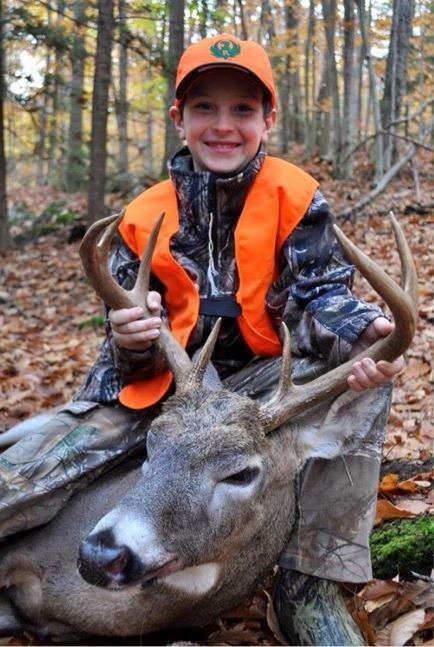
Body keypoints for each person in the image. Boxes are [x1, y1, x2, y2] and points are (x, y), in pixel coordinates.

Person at [0, 34, 403, 645]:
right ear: (178, 119)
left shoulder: (297, 198)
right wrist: (132, 337)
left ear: (268, 120)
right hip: (164, 389)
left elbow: (320, 295)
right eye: (204, 108)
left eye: (242, 109)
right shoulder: (143, 215)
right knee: (21, 475)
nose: (223, 125)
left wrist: (358, 328)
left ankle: (314, 580)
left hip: (258, 395)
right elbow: (126, 359)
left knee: (366, 368)